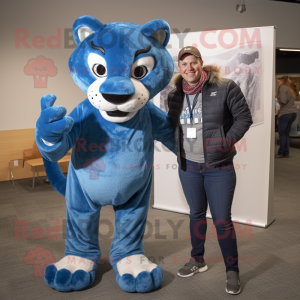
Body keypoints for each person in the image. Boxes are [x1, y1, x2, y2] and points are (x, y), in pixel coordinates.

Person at [167, 46, 253, 295]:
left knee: (222, 221)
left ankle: (232, 271)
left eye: (193, 63)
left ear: (201, 63)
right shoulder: (174, 95)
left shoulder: (225, 86)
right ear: (180, 69)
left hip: (219, 166)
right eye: (184, 64)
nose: (189, 68)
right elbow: (171, 126)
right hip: (189, 166)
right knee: (195, 215)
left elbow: (243, 118)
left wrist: (225, 142)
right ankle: (197, 260)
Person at [275, 76, 297, 158]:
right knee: (286, 134)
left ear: (282, 80)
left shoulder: (282, 87)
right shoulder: (289, 88)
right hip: (293, 113)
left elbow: (283, 101)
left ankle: (281, 153)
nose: (278, 82)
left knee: (282, 134)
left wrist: (277, 98)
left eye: (279, 81)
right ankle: (286, 153)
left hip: (285, 113)